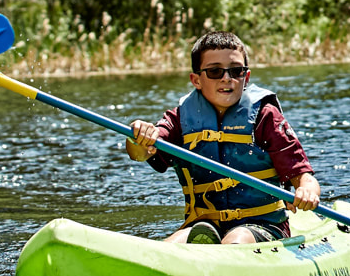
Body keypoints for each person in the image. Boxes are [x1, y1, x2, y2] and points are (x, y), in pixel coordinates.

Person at [126, 31, 321, 246]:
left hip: (263, 226)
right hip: (203, 224)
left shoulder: (265, 116)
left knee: (236, 239)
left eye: (236, 71)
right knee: (172, 244)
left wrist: (307, 191)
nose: (227, 78)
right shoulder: (180, 119)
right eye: (215, 71)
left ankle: (222, 256)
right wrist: (139, 136)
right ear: (196, 80)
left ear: (245, 78)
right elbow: (140, 154)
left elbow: (303, 175)